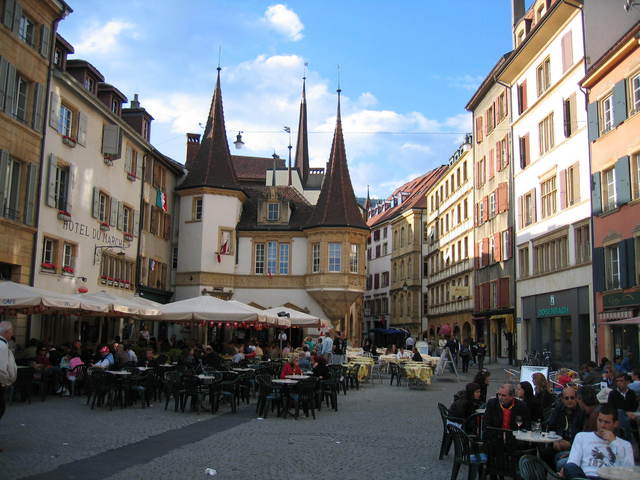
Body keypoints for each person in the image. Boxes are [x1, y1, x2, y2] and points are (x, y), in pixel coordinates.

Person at [562, 406, 634, 479]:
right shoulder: (581, 437)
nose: (602, 425)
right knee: (569, 467)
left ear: (615, 424)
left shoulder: (625, 445)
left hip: (608, 477)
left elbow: (629, 471)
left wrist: (614, 442)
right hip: (586, 476)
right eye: (600, 420)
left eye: (607, 422)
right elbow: (573, 462)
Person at [544, 386, 585, 470]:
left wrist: (570, 444)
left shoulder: (581, 412)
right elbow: (551, 425)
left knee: (559, 459)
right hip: (559, 441)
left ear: (576, 398)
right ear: (562, 399)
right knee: (544, 452)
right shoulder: (559, 409)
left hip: (574, 445)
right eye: (566, 398)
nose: (569, 400)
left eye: (572, 398)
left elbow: (583, 434)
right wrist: (555, 440)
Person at [0, 321, 18, 432]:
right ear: (6, 332)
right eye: (11, 331)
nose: (12, 334)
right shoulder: (2, 346)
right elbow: (1, 368)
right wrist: (5, 381)